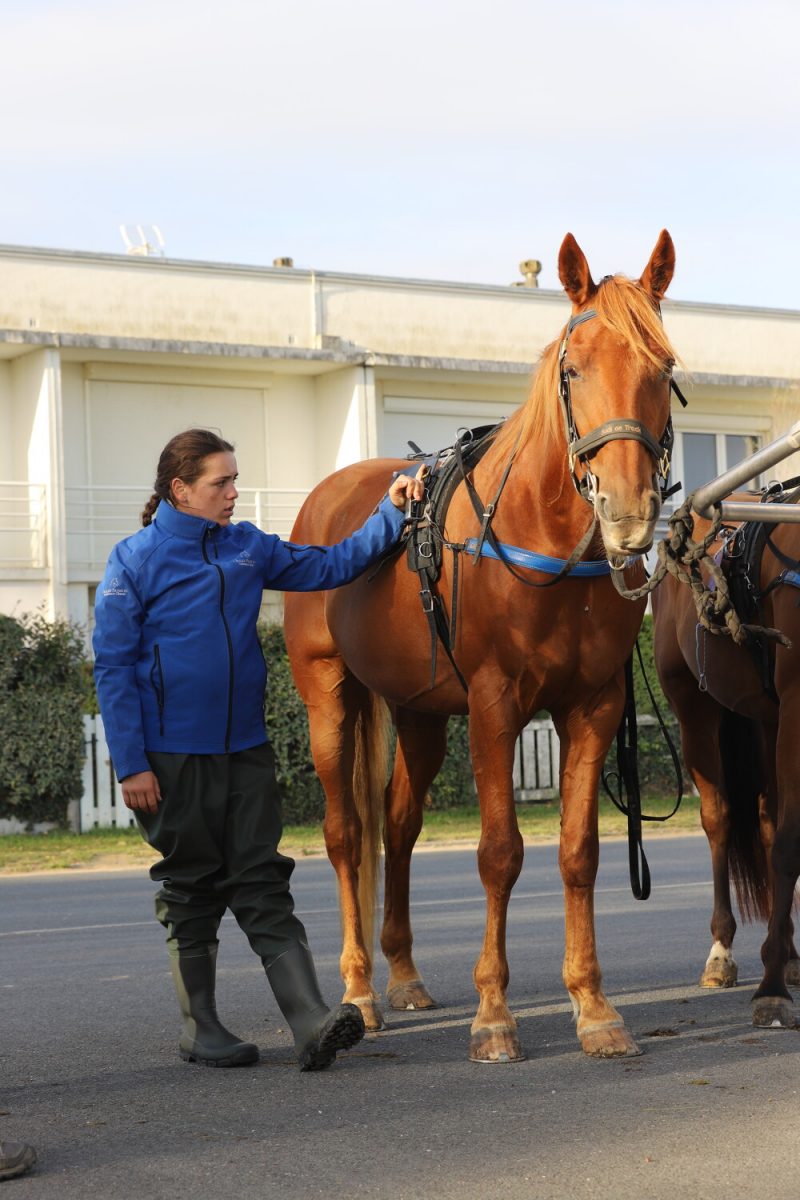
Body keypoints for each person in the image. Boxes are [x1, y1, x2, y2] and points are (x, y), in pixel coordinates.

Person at [93, 428, 423, 1071]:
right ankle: (202, 1029)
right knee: (192, 887)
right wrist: (131, 762)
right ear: (180, 490)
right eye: (221, 482)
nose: (234, 493)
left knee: (261, 877)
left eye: (234, 479)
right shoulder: (133, 561)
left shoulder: (247, 547)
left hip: (244, 747)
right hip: (168, 758)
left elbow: (331, 565)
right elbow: (114, 667)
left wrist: (393, 511)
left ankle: (310, 1021)